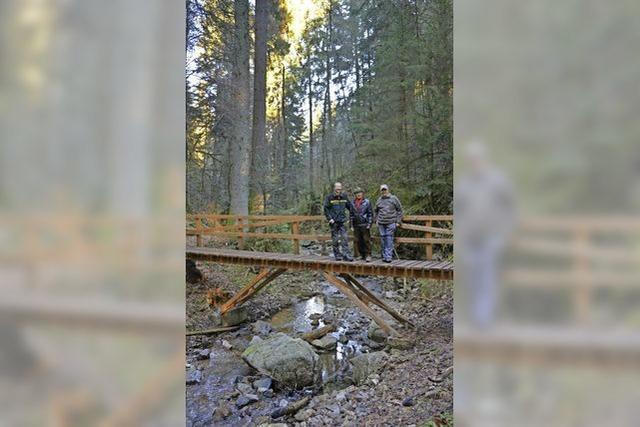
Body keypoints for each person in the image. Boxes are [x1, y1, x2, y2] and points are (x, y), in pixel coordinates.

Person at [323, 182, 354, 261]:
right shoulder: (329, 197)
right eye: (337, 189)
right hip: (334, 222)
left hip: (342, 221)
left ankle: (346, 255)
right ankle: (337, 255)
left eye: (340, 189)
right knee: (335, 240)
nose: (338, 190)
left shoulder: (344, 196)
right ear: (334, 188)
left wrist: (352, 216)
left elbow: (350, 207)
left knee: (345, 238)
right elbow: (326, 209)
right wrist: (330, 219)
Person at [374, 184, 403, 262]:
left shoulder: (394, 198)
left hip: (391, 222)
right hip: (381, 223)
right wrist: (376, 220)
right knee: (383, 239)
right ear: (380, 191)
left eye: (385, 190)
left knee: (389, 239)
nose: (384, 191)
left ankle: (388, 256)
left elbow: (399, 210)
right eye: (382, 190)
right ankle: (384, 256)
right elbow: (376, 211)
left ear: (388, 190)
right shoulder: (379, 200)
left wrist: (398, 221)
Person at [350, 187, 373, 262]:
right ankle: (359, 255)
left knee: (366, 240)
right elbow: (351, 215)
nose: (358, 194)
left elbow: (370, 213)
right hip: (356, 224)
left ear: (362, 193)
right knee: (357, 240)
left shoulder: (367, 202)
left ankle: (368, 255)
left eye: (360, 193)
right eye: (357, 193)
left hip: (364, 223)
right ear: (355, 195)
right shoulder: (352, 203)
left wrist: (369, 223)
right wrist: (351, 225)